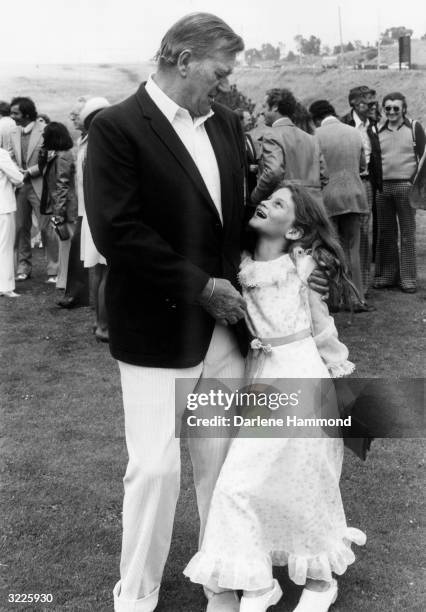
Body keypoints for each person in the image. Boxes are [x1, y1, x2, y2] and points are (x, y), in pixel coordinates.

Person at [85, 14, 328, 611]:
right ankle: (135, 593)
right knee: (155, 469)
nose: (225, 83)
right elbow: (119, 230)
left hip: (224, 333)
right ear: (181, 57)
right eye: (219, 71)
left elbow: (235, 219)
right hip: (156, 330)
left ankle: (226, 576)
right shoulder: (118, 127)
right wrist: (200, 288)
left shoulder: (225, 122)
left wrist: (291, 261)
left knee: (220, 463)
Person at [184, 184, 366, 612]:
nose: (265, 204)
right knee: (241, 481)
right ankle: (259, 583)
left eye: (278, 204)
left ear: (298, 230)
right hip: (261, 378)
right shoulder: (240, 266)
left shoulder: (304, 266)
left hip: (301, 373)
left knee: (308, 476)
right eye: (268, 199)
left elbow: (321, 326)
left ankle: (321, 581)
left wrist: (337, 371)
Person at [309, 99, 375, 312]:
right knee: (353, 248)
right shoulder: (354, 132)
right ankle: (357, 299)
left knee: (330, 248)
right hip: (355, 194)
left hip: (328, 197)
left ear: (316, 118)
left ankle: (334, 299)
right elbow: (363, 165)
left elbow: (315, 169)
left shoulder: (316, 136)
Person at [374, 92, 425, 293]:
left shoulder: (414, 127)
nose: (392, 112)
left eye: (396, 108)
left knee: (407, 234)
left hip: (406, 187)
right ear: (383, 110)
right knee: (386, 233)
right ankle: (387, 276)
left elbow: (423, 155)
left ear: (403, 108)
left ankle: (408, 279)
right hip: (383, 188)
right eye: (388, 108)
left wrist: (414, 182)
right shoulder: (377, 129)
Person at [251, 88, 328, 207]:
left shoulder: (272, 135)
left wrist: (255, 197)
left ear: (275, 107)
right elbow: (324, 176)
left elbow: (273, 173)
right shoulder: (311, 138)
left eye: (264, 106)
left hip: (284, 207)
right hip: (313, 206)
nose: (262, 112)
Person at [9, 96, 58, 282]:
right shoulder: (14, 132)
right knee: (21, 227)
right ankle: (24, 268)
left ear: (27, 114)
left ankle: (54, 270)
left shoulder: (44, 130)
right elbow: (10, 155)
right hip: (20, 187)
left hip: (41, 186)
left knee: (47, 228)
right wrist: (17, 171)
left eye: (15, 113)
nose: (12, 116)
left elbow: (51, 157)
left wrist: (29, 171)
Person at [341, 86, 383, 295]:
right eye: (369, 102)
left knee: (365, 233)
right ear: (355, 104)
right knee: (346, 232)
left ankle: (362, 285)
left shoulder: (373, 125)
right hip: (346, 183)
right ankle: (344, 284)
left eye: (374, 102)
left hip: (366, 184)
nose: (374, 106)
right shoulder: (343, 124)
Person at [79, 97, 111, 341]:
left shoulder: (85, 145)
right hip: (102, 215)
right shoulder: (99, 147)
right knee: (108, 273)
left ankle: (98, 321)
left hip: (91, 215)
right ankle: (103, 326)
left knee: (97, 271)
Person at [56, 97, 90, 308]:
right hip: (82, 206)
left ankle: (79, 296)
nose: (71, 119)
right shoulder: (81, 141)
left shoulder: (94, 139)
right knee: (80, 251)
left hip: (90, 207)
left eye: (75, 116)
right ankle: (78, 296)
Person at [38, 122, 78, 290]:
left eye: (45, 134)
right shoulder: (57, 154)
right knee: (65, 245)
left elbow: (62, 186)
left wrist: (59, 212)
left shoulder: (62, 157)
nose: (42, 137)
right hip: (61, 207)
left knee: (68, 245)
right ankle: (65, 281)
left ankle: (69, 281)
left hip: (66, 208)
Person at [0, 147, 23, 297]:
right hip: (3, 205)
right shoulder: (1, 153)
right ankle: (5, 286)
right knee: (4, 246)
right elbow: (18, 178)